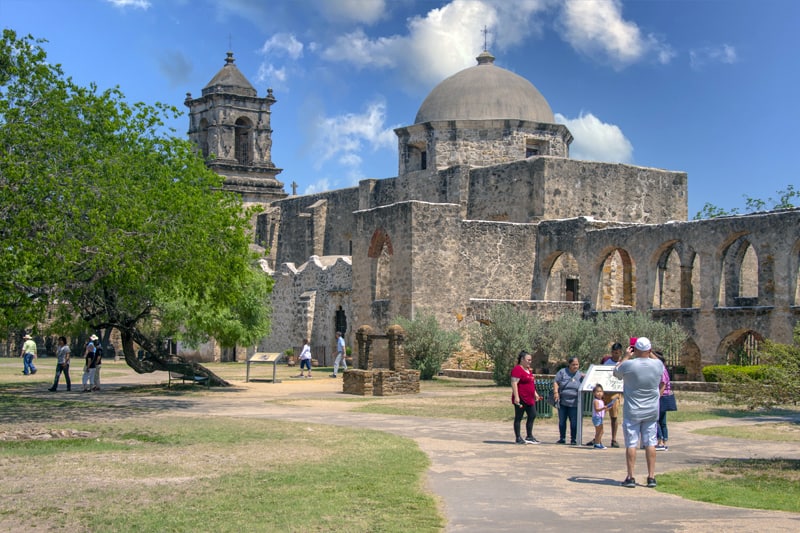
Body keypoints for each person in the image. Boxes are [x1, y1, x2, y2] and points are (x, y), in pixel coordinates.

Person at [613, 337, 664, 488]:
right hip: (651, 409)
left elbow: (616, 372)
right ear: (649, 349)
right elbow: (661, 366)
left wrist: (627, 356)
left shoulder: (629, 364)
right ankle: (651, 477)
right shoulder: (657, 365)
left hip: (633, 410)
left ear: (635, 349)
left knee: (631, 443)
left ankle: (631, 476)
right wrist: (650, 353)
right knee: (650, 442)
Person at [510, 351, 541, 444]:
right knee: (519, 417)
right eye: (528, 360)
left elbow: (531, 383)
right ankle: (518, 437)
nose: (530, 362)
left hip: (530, 398)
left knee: (532, 415)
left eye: (531, 360)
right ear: (522, 359)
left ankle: (529, 436)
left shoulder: (528, 369)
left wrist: (535, 393)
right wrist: (516, 396)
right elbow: (514, 383)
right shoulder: (517, 369)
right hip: (521, 398)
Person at [553, 356, 584, 445]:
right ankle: (562, 438)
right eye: (573, 364)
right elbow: (556, 381)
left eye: (577, 364)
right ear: (569, 365)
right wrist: (556, 392)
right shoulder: (562, 372)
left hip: (574, 402)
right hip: (563, 401)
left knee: (574, 422)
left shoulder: (580, 374)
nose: (575, 366)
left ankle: (573, 439)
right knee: (562, 420)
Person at [601, 342, 625, 447]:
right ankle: (597, 437)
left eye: (618, 353)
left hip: (615, 393)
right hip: (604, 392)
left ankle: (614, 439)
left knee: (614, 417)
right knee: (600, 416)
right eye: (614, 352)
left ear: (620, 353)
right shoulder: (606, 361)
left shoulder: (623, 363)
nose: (615, 355)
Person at [654, 350, 672, 451]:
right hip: (664, 397)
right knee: (662, 421)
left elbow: (662, 384)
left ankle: (660, 442)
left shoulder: (661, 370)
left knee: (656, 420)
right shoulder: (664, 369)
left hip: (661, 398)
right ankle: (664, 442)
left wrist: (657, 397)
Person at [591, 384, 612, 449]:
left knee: (601, 431)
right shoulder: (596, 401)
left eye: (601, 391)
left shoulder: (601, 401)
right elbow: (597, 409)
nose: (599, 393)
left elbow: (603, 411)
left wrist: (607, 409)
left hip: (600, 417)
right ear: (594, 393)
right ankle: (597, 444)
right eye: (597, 392)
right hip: (596, 418)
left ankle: (599, 443)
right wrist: (603, 408)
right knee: (599, 431)